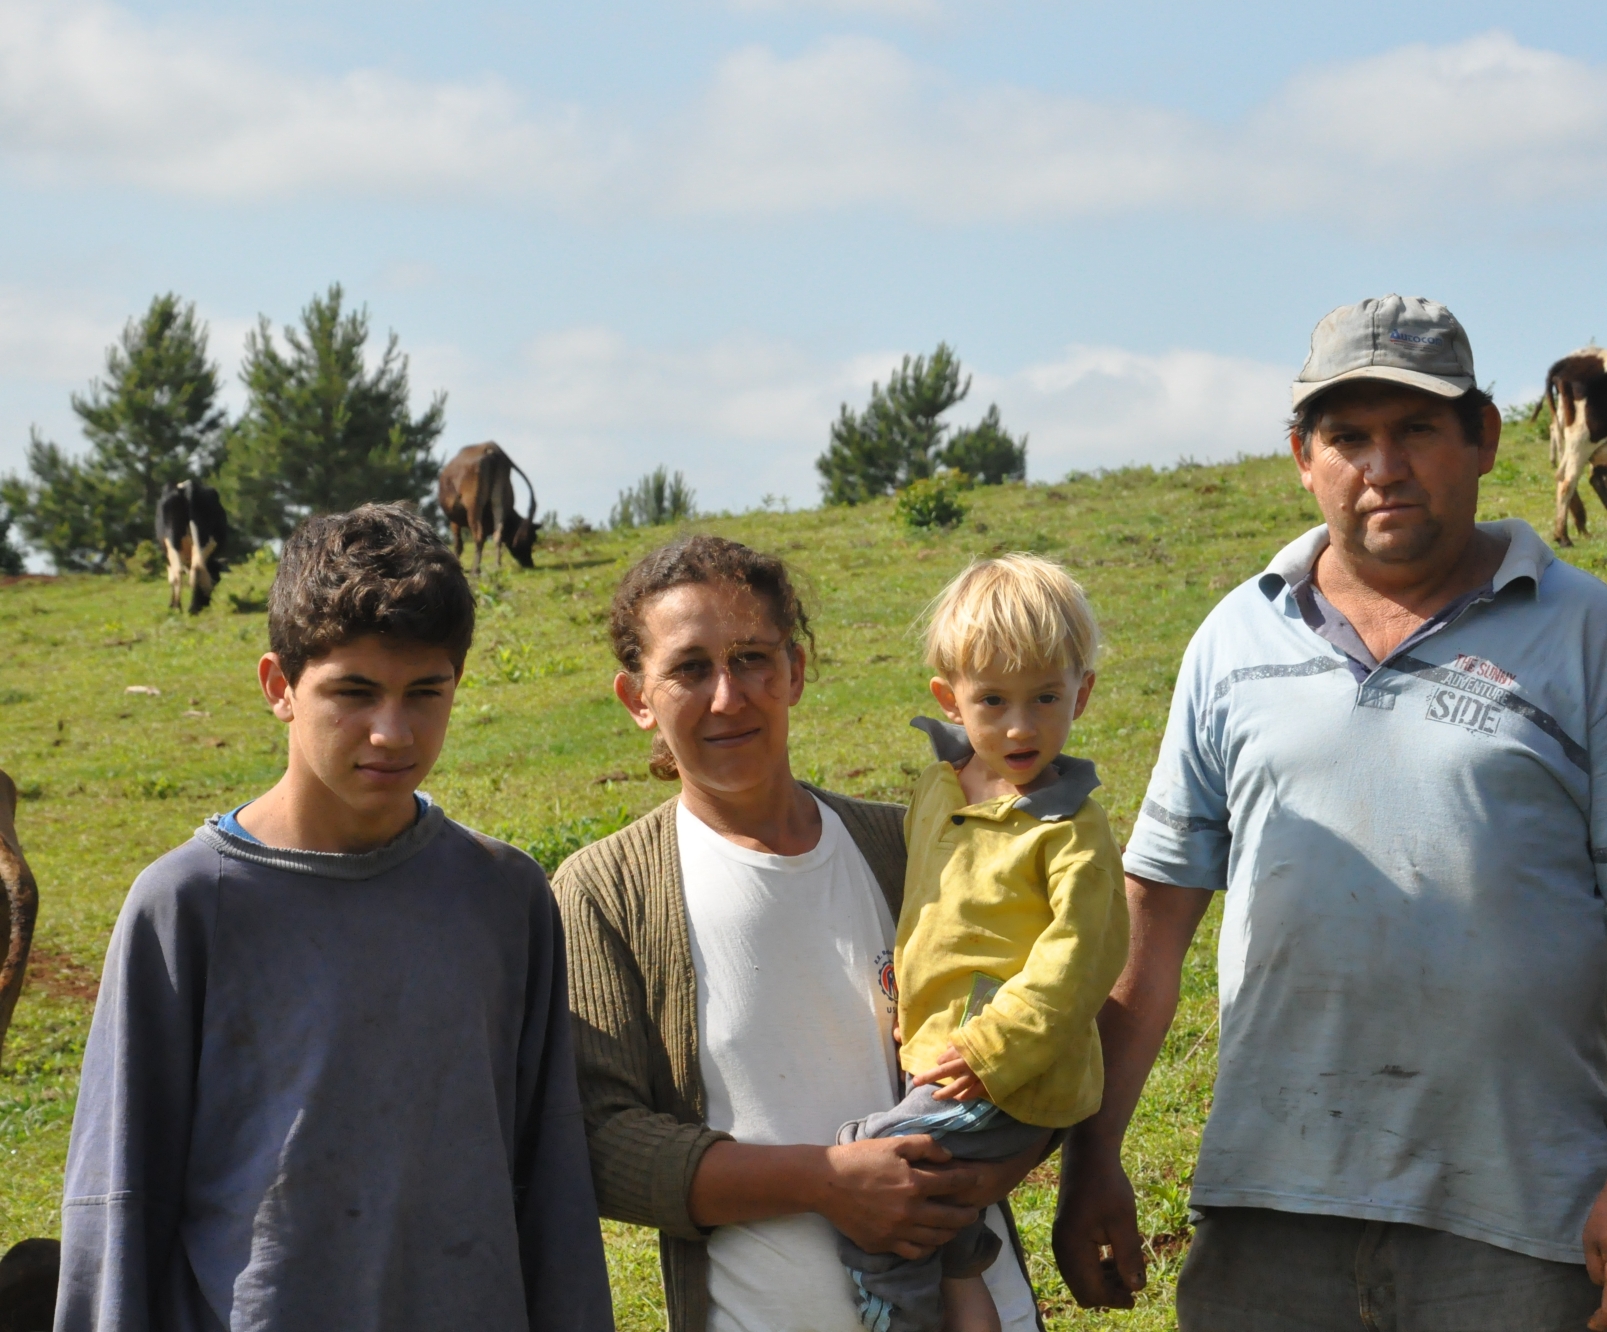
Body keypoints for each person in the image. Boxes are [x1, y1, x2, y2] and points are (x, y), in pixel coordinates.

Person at [1054, 294, 1607, 1332]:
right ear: (1300, 457)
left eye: (1415, 429)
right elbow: (1155, 914)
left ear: (1482, 436)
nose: (1382, 465)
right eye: (1346, 436)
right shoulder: (1233, 636)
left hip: (1518, 1216)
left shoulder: (1584, 630)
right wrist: (1093, 1153)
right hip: (1270, 1212)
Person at [56, 503, 614, 1331]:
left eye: (426, 692)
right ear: (279, 686)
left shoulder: (505, 897)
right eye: (353, 692)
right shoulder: (184, 907)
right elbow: (118, 1201)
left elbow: (554, 1184)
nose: (393, 732)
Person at [554, 535, 1045, 1332]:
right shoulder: (604, 892)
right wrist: (825, 1181)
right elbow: (601, 1138)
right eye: (689, 668)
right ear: (636, 696)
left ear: (797, 670)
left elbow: (1045, 1025)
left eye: (752, 657)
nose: (727, 696)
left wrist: (978, 1172)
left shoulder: (913, 846)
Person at [836, 556, 1129, 1332]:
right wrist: (910, 986)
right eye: (992, 700)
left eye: (1046, 697)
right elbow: (935, 908)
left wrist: (994, 1046)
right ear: (950, 701)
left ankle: (896, 1317)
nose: (1021, 726)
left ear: (1083, 693)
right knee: (944, 1218)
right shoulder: (940, 789)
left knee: (867, 1167)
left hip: (1009, 1075)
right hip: (941, 1058)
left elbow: (1079, 963)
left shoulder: (1071, 828)